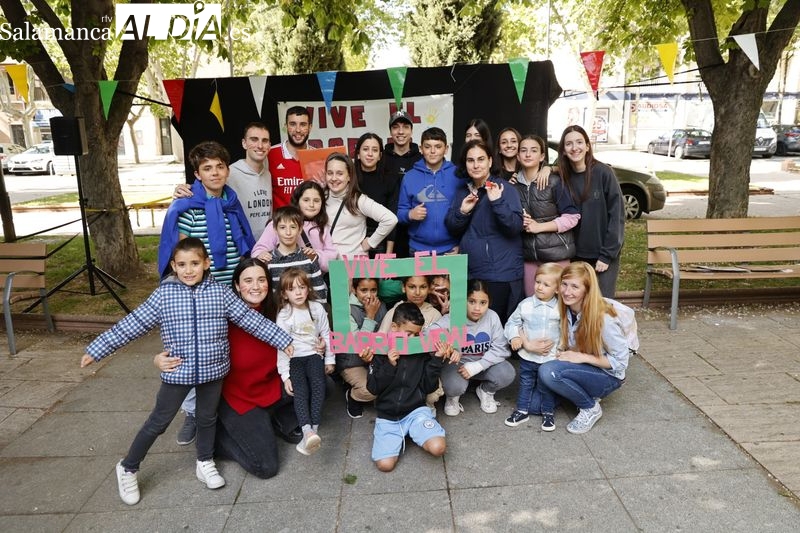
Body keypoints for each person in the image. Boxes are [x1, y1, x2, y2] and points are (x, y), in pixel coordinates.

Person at [81, 238, 293, 505]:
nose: (189, 270)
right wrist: (98, 348)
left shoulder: (220, 293)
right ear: (173, 266)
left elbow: (250, 319)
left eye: (194, 263)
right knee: (158, 422)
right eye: (182, 265)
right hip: (178, 372)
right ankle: (128, 467)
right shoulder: (164, 296)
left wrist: (284, 340)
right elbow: (133, 323)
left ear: (206, 263)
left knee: (207, 419)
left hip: (213, 371)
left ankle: (204, 461)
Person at [155, 257, 303, 478]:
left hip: (272, 386)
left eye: (261, 280)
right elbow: (190, 341)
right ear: (237, 285)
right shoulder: (220, 316)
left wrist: (318, 343)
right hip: (238, 398)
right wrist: (159, 359)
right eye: (248, 280)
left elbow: (302, 338)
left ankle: (280, 421)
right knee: (266, 467)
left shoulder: (279, 312)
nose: (256, 286)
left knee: (320, 381)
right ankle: (216, 438)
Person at [360, 302, 457, 472]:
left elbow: (428, 387)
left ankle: (415, 430)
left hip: (415, 412)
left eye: (417, 335)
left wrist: (436, 360)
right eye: (409, 334)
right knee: (385, 465)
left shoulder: (420, 351)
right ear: (394, 328)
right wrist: (390, 365)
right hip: (388, 416)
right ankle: (400, 434)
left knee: (438, 447)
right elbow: (373, 388)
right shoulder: (380, 351)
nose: (413, 339)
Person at [537, 261, 630, 434]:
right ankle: (576, 391)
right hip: (582, 366)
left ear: (587, 290)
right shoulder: (565, 309)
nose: (567, 291)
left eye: (575, 286)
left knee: (548, 372)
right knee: (535, 406)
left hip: (608, 376)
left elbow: (620, 362)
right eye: (564, 284)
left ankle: (590, 407)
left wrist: (581, 357)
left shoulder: (604, 318)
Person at [445, 139, 524, 323]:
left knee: (497, 330)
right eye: (470, 160)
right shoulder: (463, 191)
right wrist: (462, 212)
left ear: (490, 161)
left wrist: (497, 202)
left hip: (500, 274)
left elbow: (514, 227)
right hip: (471, 272)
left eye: (481, 159)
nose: (476, 165)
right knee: (474, 330)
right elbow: (452, 228)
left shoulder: (504, 189)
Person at [158, 141, 253, 287]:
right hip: (202, 288)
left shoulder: (232, 204)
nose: (215, 173)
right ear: (198, 174)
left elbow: (241, 244)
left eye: (220, 167)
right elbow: (181, 254)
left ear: (228, 171)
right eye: (207, 168)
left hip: (233, 287)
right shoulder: (189, 209)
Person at [553, 125, 625, 297]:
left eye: (579, 142)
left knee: (602, 303)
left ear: (587, 146)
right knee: (577, 303)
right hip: (576, 255)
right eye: (569, 144)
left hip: (602, 254)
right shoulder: (562, 178)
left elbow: (617, 217)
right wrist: (548, 168)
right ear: (563, 151)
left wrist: (607, 255)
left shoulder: (603, 173)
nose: (574, 147)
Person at [172, 123, 273, 240]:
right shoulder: (228, 173)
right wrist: (181, 189)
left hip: (265, 244)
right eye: (254, 139)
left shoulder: (268, 174)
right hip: (240, 241)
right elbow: (203, 187)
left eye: (265, 140)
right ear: (244, 143)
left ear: (269, 145)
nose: (260, 145)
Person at [276, 268, 335, 455]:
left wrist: (330, 359)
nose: (298, 292)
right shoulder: (284, 315)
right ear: (284, 294)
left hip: (314, 355)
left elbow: (326, 333)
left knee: (318, 388)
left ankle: (312, 432)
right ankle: (306, 430)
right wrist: (285, 375)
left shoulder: (316, 308)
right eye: (292, 289)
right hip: (294, 359)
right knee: (300, 392)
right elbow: (281, 347)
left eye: (302, 287)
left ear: (308, 289)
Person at [436, 279, 515, 417]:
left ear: (489, 302)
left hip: (484, 363)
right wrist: (448, 345)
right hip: (457, 365)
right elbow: (431, 332)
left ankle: (485, 391)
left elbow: (501, 347)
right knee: (453, 387)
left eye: (483, 303)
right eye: (471, 301)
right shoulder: (455, 316)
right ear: (463, 301)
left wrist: (478, 366)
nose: (477, 308)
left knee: (507, 373)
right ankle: (452, 397)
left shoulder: (492, 316)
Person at [514, 134, 580, 296]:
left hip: (557, 256)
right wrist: (519, 222)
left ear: (542, 156)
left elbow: (572, 217)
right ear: (518, 156)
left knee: (562, 303)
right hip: (529, 257)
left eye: (533, 150)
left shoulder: (554, 182)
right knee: (532, 303)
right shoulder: (513, 187)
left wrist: (539, 227)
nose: (528, 154)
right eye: (523, 150)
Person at [503, 263, 564, 430]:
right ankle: (521, 410)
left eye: (546, 284)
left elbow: (564, 331)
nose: (540, 287)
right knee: (526, 383)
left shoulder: (560, 308)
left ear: (557, 289)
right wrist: (515, 337)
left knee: (547, 385)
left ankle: (548, 413)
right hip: (528, 356)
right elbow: (512, 323)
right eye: (538, 282)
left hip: (550, 357)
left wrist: (562, 349)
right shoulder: (526, 305)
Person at [396, 127, 461, 255]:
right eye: (427, 147)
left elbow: (466, 214)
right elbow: (400, 213)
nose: (432, 151)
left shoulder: (458, 175)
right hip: (418, 249)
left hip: (451, 248)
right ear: (421, 149)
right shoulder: (409, 177)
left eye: (438, 146)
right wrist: (410, 214)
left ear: (446, 149)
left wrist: (461, 244)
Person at [251, 181, 338, 273]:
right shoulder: (280, 223)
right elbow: (258, 251)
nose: (311, 205)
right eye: (306, 200)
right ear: (297, 201)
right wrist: (261, 255)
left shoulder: (322, 226)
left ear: (322, 203)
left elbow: (332, 262)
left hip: (312, 278)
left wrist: (316, 255)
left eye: (316, 201)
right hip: (283, 277)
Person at [324, 152, 397, 257]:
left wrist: (371, 243)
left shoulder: (359, 200)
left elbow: (390, 219)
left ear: (349, 176)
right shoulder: (320, 198)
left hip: (354, 263)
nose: (334, 178)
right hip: (327, 263)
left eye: (340, 173)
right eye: (330, 173)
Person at [339, 277, 388, 419]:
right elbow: (358, 344)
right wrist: (370, 315)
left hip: (376, 357)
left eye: (373, 290)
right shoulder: (346, 309)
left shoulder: (381, 306)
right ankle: (352, 396)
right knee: (370, 391)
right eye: (364, 290)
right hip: (352, 361)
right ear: (354, 290)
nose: (369, 295)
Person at [262, 205, 328, 301]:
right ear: (275, 229)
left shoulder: (310, 257)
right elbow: (268, 298)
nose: (288, 233)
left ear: (300, 229)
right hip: (279, 310)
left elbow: (319, 294)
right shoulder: (268, 260)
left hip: (308, 309)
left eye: (293, 227)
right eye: (282, 227)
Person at [383, 110, 422, 259]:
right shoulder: (381, 159)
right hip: (386, 229)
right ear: (390, 131)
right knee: (387, 272)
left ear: (411, 130)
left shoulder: (421, 159)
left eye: (405, 127)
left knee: (412, 272)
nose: (400, 132)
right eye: (395, 127)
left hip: (415, 227)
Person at [354, 132, 396, 256]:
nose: (370, 154)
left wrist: (388, 253)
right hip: (352, 236)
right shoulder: (349, 178)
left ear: (380, 156)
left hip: (380, 237)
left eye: (375, 150)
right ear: (358, 153)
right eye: (365, 149)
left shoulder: (389, 180)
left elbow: (392, 216)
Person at [269, 106, 316, 209]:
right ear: (286, 126)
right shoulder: (269, 154)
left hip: (310, 219)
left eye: (303, 124)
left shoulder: (317, 157)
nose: (298, 130)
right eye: (293, 124)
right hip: (280, 219)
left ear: (310, 127)